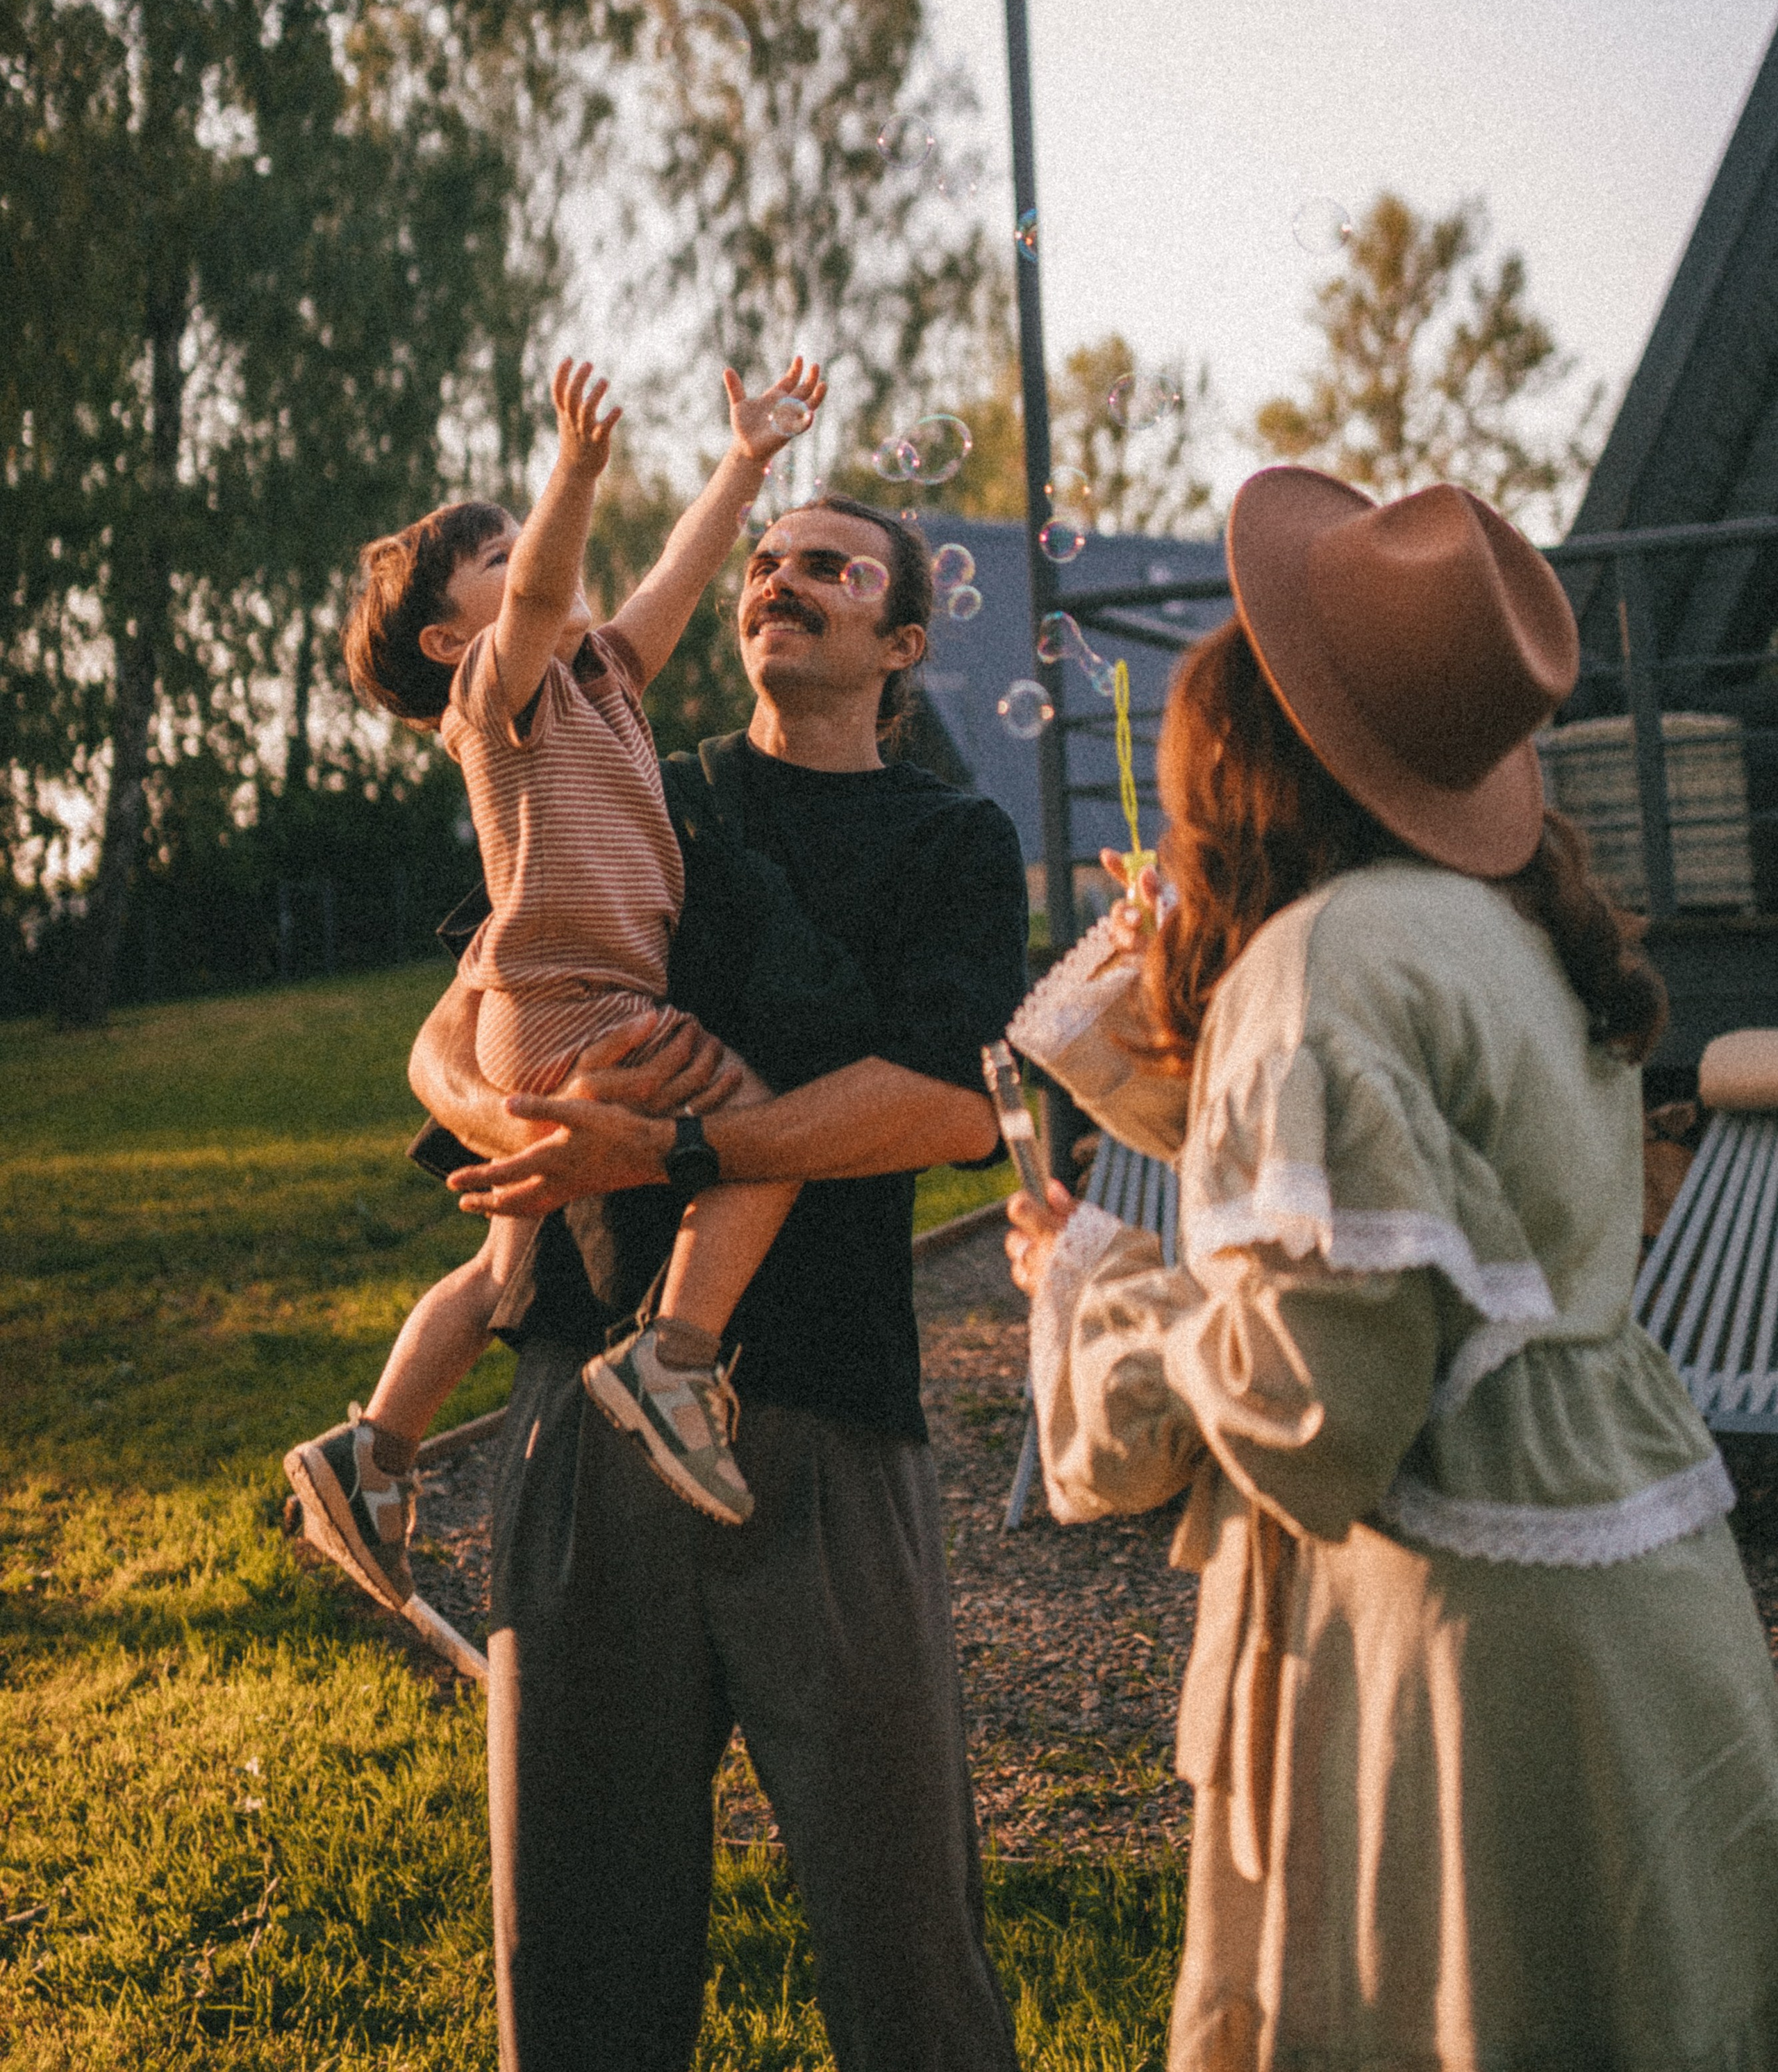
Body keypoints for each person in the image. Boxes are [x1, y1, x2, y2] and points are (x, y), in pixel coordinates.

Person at [1008, 469, 1778, 2072]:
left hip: (1454, 1669)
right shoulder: (1505, 926)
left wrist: (1101, 1295)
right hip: (1630, 1631)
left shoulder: (1323, 963)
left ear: (1235, 760)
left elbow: (1314, 1413)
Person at [407, 491, 1029, 2072]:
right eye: (767, 559)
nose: (780, 580)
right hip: (577, 1410)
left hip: (821, 1416)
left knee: (906, 1944)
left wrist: (669, 1154)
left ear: (897, 647)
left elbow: (957, 1106)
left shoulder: (951, 840)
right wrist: (534, 1126)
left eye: (832, 566)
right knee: (577, 1955)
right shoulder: (639, 781)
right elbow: (457, 1018)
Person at [285, 350, 827, 1601]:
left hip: (550, 1010)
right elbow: (539, 595)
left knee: (502, 1270)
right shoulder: (500, 695)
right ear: (450, 638)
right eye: (500, 556)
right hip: (584, 1007)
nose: (538, 555)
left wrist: (747, 462)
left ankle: (371, 1453)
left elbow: (678, 576)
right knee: (774, 1129)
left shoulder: (601, 683)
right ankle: (673, 1357)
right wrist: (575, 470)